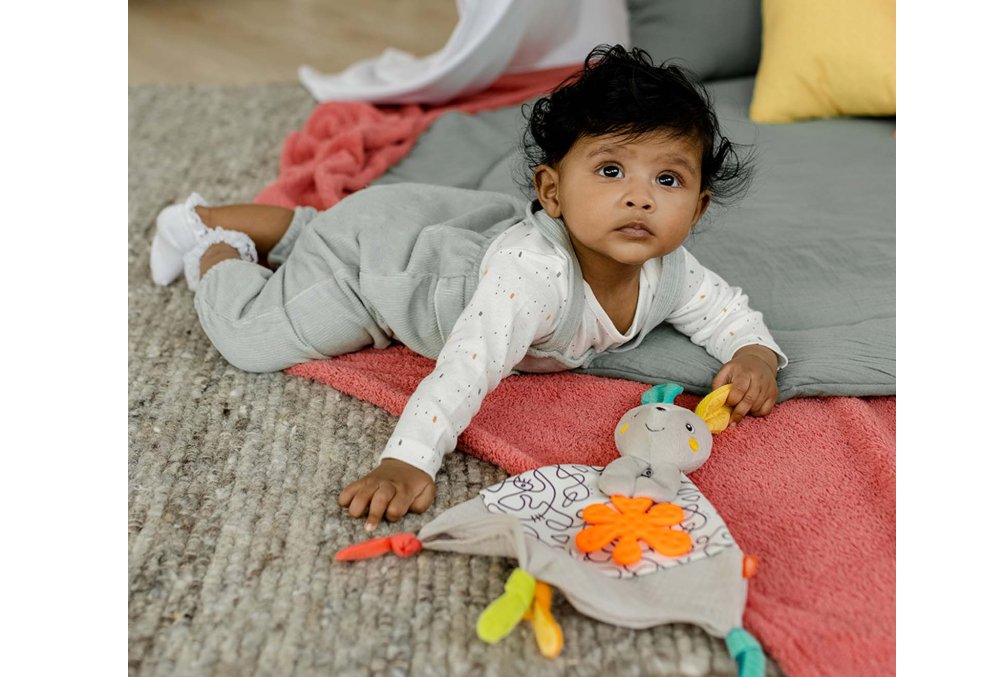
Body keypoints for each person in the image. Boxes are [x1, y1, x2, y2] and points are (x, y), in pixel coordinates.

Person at [148, 45, 787, 534]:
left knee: (333, 227)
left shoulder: (669, 270)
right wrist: (409, 459)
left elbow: (724, 311)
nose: (640, 196)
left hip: (424, 227)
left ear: (698, 207)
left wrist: (755, 353)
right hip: (376, 270)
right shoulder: (533, 276)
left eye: (668, 180)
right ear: (552, 192)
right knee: (251, 338)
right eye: (611, 169)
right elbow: (464, 368)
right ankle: (213, 241)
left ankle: (290, 227)